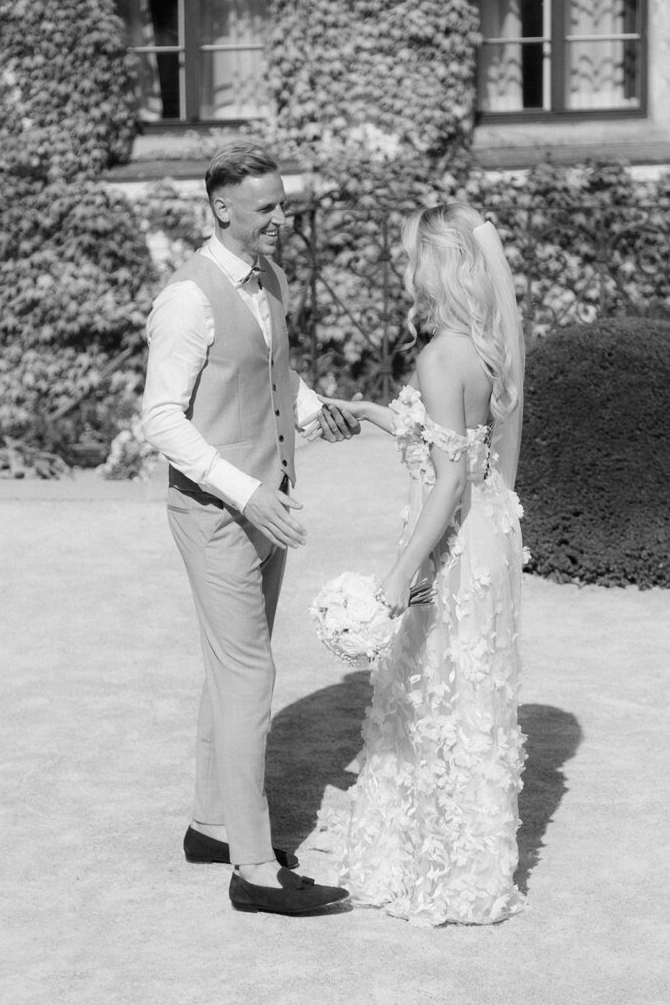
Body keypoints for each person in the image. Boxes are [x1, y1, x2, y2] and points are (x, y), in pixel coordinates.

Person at [142, 143, 359, 915]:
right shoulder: (187, 298)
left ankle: (212, 824)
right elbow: (160, 418)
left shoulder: (269, 278)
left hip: (269, 504)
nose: (280, 219)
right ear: (221, 209)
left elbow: (272, 375)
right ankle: (254, 869)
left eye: (283, 204)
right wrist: (244, 492)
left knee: (234, 670)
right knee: (250, 679)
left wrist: (318, 410)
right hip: (216, 514)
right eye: (265, 207)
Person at [323, 203, 526, 925]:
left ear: (434, 267)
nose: (402, 267)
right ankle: (469, 866)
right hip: (488, 533)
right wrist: (370, 411)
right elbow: (456, 441)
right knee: (467, 699)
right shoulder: (482, 347)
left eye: (409, 255)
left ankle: (435, 872)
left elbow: (446, 481)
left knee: (431, 695)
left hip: (453, 541)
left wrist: (399, 573)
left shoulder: (437, 356)